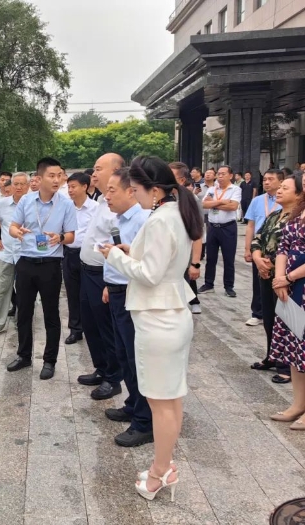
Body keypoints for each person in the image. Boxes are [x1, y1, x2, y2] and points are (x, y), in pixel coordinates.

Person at [100, 155, 203, 502]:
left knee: (161, 403)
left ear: (154, 190)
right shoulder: (175, 213)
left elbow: (149, 274)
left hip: (159, 317)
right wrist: (132, 251)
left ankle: (160, 472)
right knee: (170, 399)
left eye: (135, 189)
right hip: (171, 313)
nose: (133, 194)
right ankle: (164, 464)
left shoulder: (160, 219)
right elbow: (163, 261)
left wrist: (115, 256)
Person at [7, 157, 77, 380]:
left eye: (59, 176)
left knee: (51, 314)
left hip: (50, 265)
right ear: (40, 177)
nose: (57, 180)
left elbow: (71, 235)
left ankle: (50, 360)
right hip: (26, 263)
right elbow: (12, 226)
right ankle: (24, 356)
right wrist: (17, 232)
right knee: (24, 312)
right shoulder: (26, 201)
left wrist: (61, 237)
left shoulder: (66, 204)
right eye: (51, 175)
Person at [102, 167, 153, 447]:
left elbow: (143, 264)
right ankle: (134, 404)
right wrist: (110, 283)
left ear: (130, 191)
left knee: (136, 358)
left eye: (112, 190)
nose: (106, 196)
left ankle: (145, 422)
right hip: (118, 290)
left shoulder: (144, 220)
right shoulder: (121, 219)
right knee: (123, 354)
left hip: (133, 294)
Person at [78, 153, 125, 400]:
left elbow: (118, 245)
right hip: (87, 271)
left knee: (106, 327)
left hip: (102, 275)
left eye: (98, 169)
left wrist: (110, 280)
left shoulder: (119, 207)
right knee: (90, 324)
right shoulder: (100, 201)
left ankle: (113, 378)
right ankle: (101, 367)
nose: (93, 174)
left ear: (116, 171)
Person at [251, 174, 301, 384]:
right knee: (269, 318)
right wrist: (258, 259)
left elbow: (292, 249)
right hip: (266, 274)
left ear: (299, 194)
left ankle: (286, 366)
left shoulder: (298, 219)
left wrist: (272, 265)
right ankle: (272, 356)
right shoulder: (275, 215)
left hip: (287, 279)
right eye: (280, 188)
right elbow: (257, 238)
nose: (279, 191)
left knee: (288, 321)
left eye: (285, 188)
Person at [269, 170, 305, 430]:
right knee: (295, 346)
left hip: (299, 282)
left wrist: (289, 277)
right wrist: (279, 277)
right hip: (290, 287)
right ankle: (298, 404)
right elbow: (283, 247)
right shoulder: (296, 213)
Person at [0, 174, 28, 335]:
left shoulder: (34, 204)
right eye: (16, 184)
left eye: (22, 184)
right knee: (2, 288)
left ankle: (23, 321)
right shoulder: (3, 204)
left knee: (25, 290)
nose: (19, 187)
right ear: (10, 186)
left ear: (28, 186)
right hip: (7, 253)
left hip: (26, 254)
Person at [243, 169, 284, 328]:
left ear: (281, 182)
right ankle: (257, 313)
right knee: (258, 282)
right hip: (259, 248)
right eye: (265, 179)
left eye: (270, 179)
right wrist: (248, 249)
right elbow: (250, 226)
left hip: (278, 250)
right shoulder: (257, 200)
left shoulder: (285, 201)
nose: (266, 182)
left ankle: (278, 317)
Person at [62, 172, 99, 344]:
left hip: (88, 256)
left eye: (73, 186)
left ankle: (91, 327)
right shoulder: (66, 207)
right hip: (69, 254)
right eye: (68, 187)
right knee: (72, 293)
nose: (70, 190)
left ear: (85, 186)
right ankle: (75, 329)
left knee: (87, 295)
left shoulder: (96, 208)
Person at [199, 165, 241, 297]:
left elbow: (233, 206)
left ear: (231, 176)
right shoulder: (212, 189)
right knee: (210, 258)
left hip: (228, 228)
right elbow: (204, 204)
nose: (220, 176)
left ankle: (229, 286)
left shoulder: (235, 189)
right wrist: (222, 202)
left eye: (223, 174)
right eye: (219, 174)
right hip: (212, 227)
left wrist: (214, 203)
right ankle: (208, 284)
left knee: (228, 258)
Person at [170, 162, 203, 314]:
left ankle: (193, 302)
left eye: (170, 176)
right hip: (168, 254)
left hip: (184, 251)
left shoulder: (190, 200)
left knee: (186, 281)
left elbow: (197, 233)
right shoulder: (163, 197)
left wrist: (195, 263)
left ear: (182, 180)